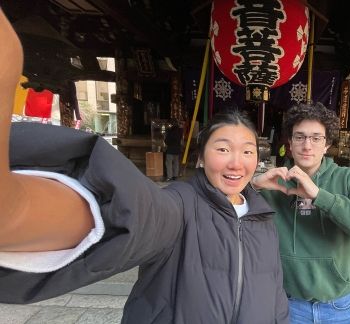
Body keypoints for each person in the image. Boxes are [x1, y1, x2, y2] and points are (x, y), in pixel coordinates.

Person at [0, 10, 288, 323]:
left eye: (248, 151)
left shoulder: (263, 216)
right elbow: (132, 216)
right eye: (223, 149)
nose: (237, 162)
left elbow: (274, 291)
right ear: (201, 158)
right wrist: (15, 209)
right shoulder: (179, 204)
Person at [251, 102, 350, 324]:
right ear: (289, 142)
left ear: (327, 145)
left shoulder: (349, 179)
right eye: (299, 137)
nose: (307, 145)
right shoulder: (273, 183)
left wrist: (320, 196)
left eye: (316, 138)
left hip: (338, 306)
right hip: (287, 304)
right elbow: (223, 220)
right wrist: (253, 187)